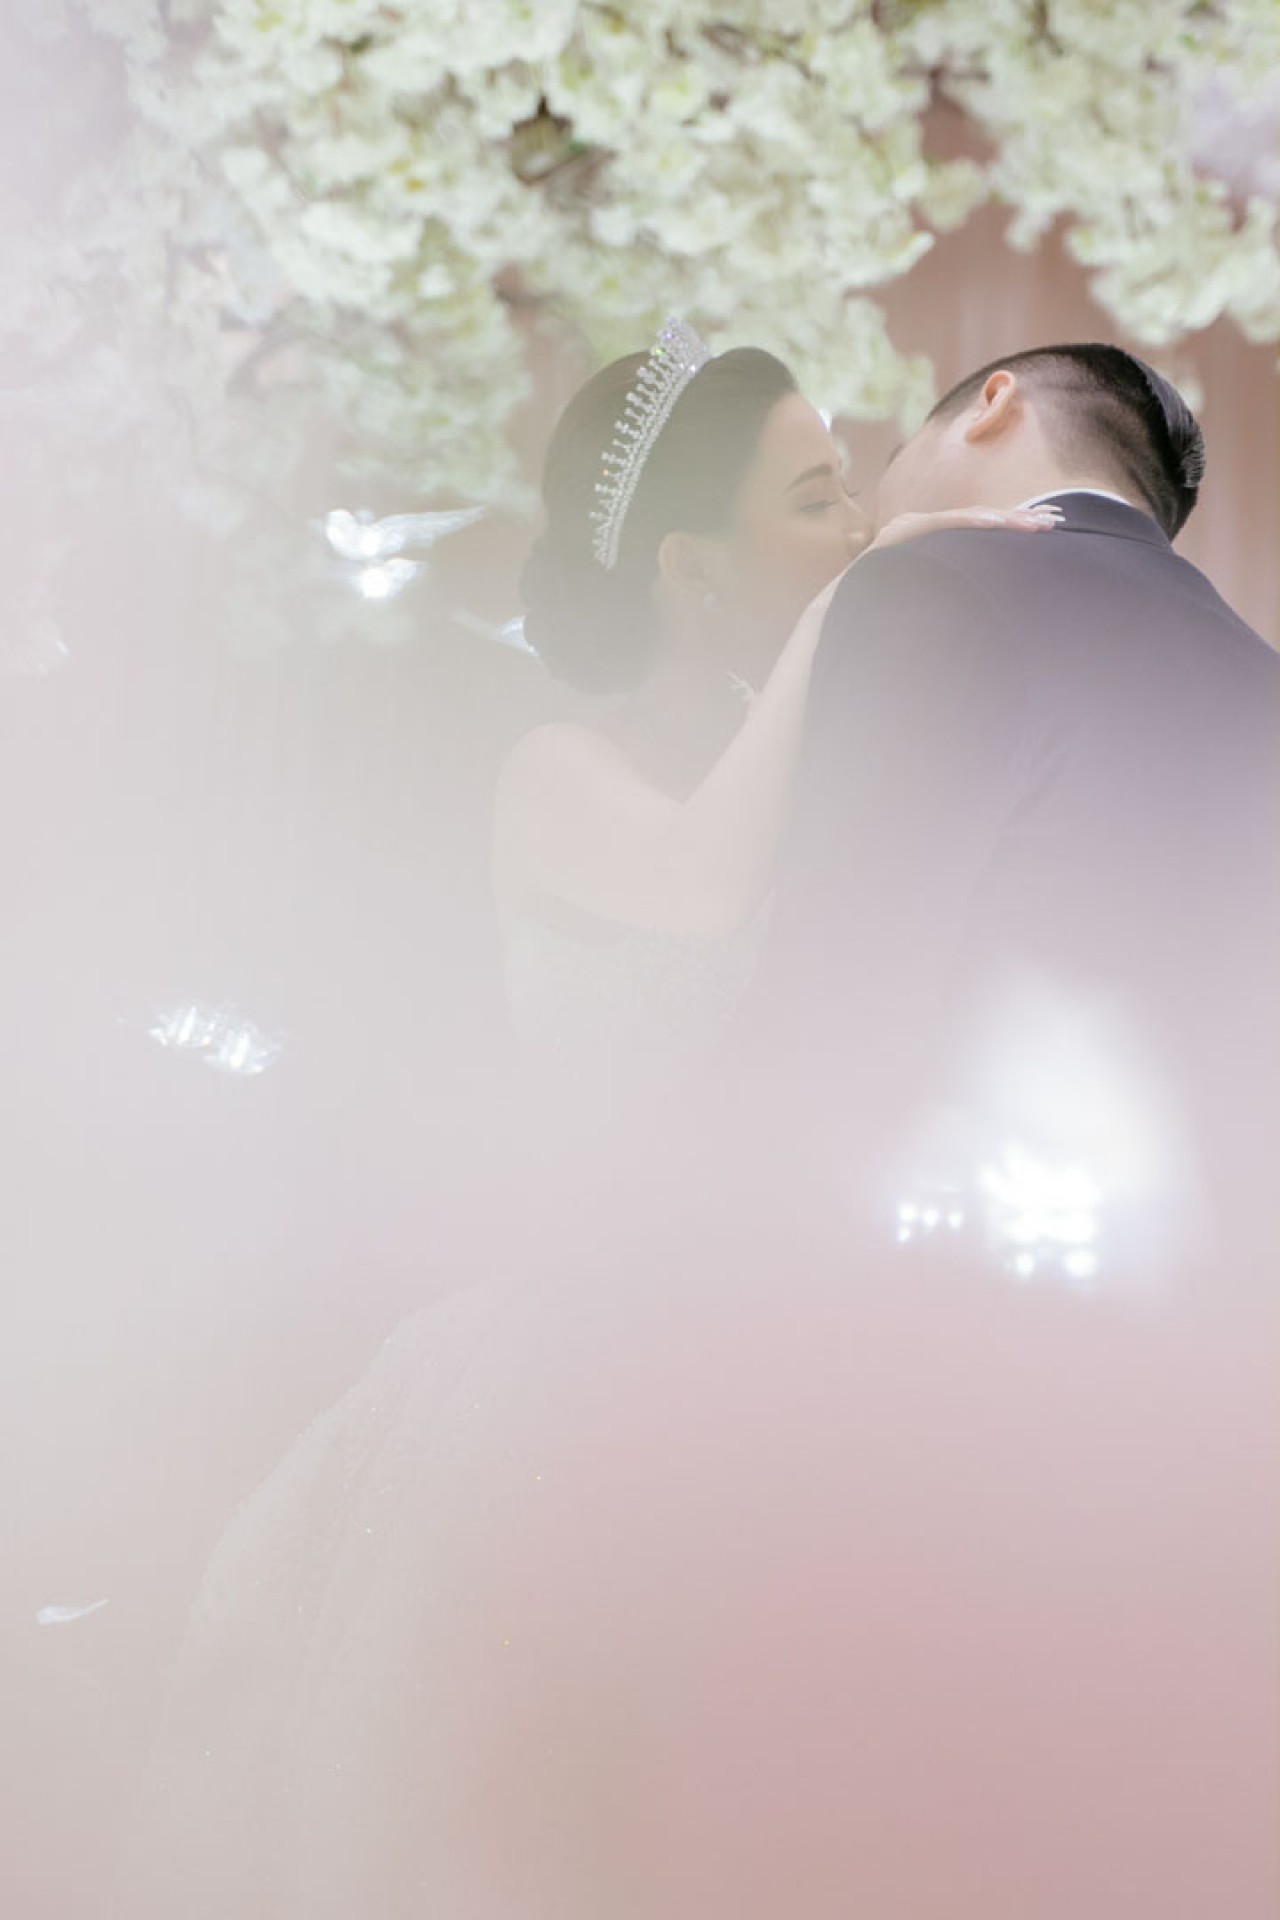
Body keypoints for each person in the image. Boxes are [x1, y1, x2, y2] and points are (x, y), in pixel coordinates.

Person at [117, 324, 1053, 1919]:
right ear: (692, 574)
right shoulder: (554, 772)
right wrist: (863, 609)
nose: (858, 528)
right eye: (816, 498)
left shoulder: (812, 775)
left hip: (797, 1352)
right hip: (576, 1372)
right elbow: (700, 881)